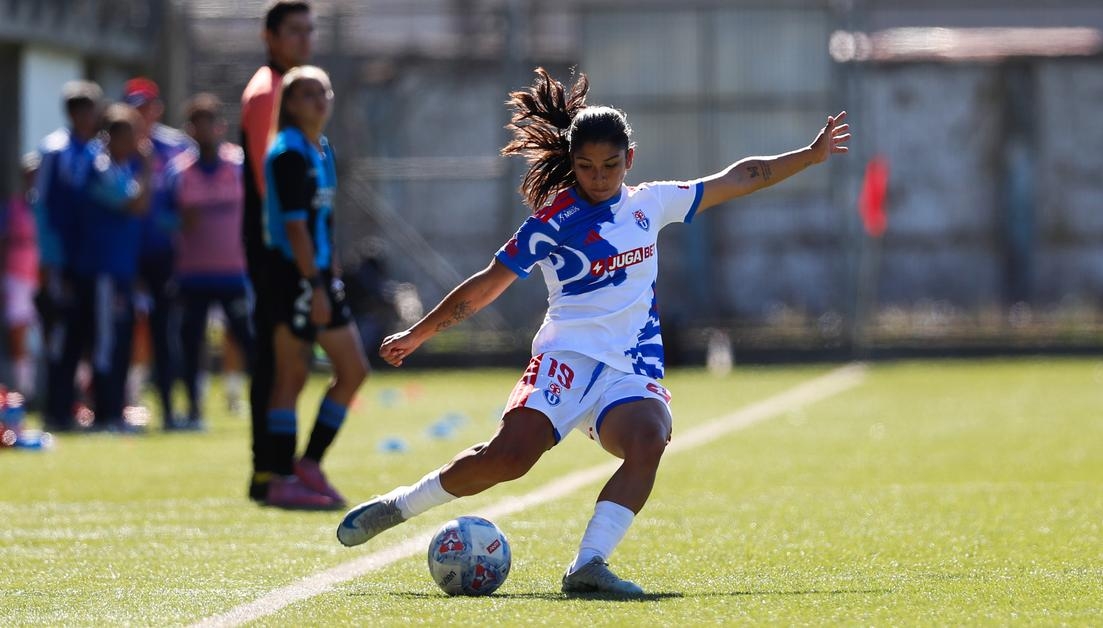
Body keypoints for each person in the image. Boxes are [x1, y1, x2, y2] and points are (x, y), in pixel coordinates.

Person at [336, 68, 850, 595]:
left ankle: (588, 565)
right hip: (566, 359)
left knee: (650, 438)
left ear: (630, 159)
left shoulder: (651, 203)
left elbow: (740, 177)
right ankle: (399, 506)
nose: (598, 176)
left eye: (609, 165)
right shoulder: (551, 222)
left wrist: (809, 156)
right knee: (507, 460)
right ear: (572, 164)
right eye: (585, 166)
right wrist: (419, 334)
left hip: (630, 368)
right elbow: (486, 286)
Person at [259, 65, 368, 508]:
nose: (318, 100)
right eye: (306, 94)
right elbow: (296, 230)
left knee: (351, 370)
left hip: (317, 274)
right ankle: (283, 475)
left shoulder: (321, 149)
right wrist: (315, 285)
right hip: (293, 274)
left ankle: (307, 465)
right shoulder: (287, 153)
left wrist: (331, 272)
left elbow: (323, 222)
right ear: (288, 104)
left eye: (323, 91)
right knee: (292, 375)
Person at [241, 0, 315, 505]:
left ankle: (275, 469)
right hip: (277, 248)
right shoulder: (269, 91)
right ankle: (271, 471)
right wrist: (298, 248)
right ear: (270, 36)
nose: (304, 41)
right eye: (294, 32)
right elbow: (273, 183)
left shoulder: (289, 89)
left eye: (309, 31)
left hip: (284, 244)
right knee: (279, 358)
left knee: (285, 357)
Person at [51, 104, 152, 432]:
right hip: (101, 270)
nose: (135, 143)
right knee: (105, 342)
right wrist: (148, 170)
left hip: (118, 269)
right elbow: (134, 204)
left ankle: (110, 409)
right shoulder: (100, 166)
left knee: (117, 340)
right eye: (128, 136)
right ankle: (106, 412)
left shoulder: (120, 168)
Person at [167, 93, 256, 430]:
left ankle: (261, 403)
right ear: (190, 130)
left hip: (234, 273)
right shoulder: (180, 173)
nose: (204, 132)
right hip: (192, 275)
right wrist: (179, 222)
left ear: (220, 127)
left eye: (210, 124)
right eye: (197, 125)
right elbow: (162, 218)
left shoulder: (239, 166)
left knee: (247, 341)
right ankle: (193, 409)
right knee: (191, 344)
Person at [35, 80, 104, 431]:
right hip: (63, 263)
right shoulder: (55, 151)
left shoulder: (96, 153)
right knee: (61, 339)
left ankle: (81, 406)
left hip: (89, 260)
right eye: (90, 111)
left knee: (87, 337)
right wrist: (50, 264)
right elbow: (44, 209)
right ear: (77, 113)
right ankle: (56, 409)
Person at [124, 77, 192, 429]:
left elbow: (189, 203)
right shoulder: (116, 145)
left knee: (166, 332)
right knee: (125, 331)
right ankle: (121, 405)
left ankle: (169, 409)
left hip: (166, 256)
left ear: (157, 109)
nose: (141, 114)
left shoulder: (177, 147)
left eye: (145, 107)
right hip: (124, 255)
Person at [3, 153, 42, 398]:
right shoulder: (12, 207)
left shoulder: (50, 205)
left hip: (44, 275)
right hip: (17, 275)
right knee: (18, 331)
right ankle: (24, 391)